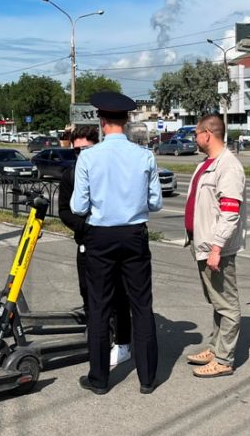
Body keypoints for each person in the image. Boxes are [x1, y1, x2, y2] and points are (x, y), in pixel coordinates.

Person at [71, 91, 163, 395]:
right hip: (135, 234)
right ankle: (148, 378)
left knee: (99, 306)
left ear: (101, 120)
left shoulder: (88, 156)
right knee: (142, 304)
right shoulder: (145, 155)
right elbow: (155, 202)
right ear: (125, 121)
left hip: (100, 237)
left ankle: (99, 379)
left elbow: (78, 207)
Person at [57, 124, 132, 367]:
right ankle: (97, 337)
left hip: (113, 243)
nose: (81, 155)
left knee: (120, 297)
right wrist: (85, 229)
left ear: (96, 146)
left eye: (86, 149)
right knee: (89, 294)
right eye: (76, 151)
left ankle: (123, 343)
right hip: (87, 244)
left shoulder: (109, 171)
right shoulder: (70, 175)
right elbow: (65, 211)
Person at [183, 114, 246, 378]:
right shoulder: (207, 163)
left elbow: (231, 211)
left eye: (196, 133)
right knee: (216, 301)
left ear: (207, 134)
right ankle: (215, 347)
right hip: (203, 243)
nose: (194, 138)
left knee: (227, 304)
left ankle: (224, 359)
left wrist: (217, 248)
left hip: (215, 248)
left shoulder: (228, 166)